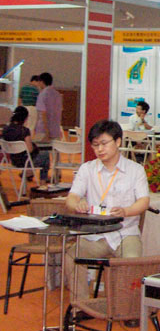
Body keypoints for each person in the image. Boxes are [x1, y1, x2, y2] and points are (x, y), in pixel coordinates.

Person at [62, 120, 149, 304]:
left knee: (132, 261)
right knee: (71, 255)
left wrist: (126, 211)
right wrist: (77, 204)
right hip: (96, 235)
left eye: (104, 143)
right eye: (95, 145)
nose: (99, 149)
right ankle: (81, 305)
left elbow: (144, 201)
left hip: (126, 233)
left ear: (118, 142)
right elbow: (71, 198)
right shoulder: (87, 169)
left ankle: (126, 309)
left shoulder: (135, 170)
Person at [1, 106, 50, 182]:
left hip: (13, 160)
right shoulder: (24, 130)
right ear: (25, 118)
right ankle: (42, 181)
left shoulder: (5, 129)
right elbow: (29, 149)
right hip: (25, 161)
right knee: (45, 155)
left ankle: (28, 173)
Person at [34, 72, 63, 141]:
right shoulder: (57, 94)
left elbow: (43, 113)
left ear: (42, 82)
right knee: (55, 147)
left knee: (41, 147)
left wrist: (47, 131)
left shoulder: (42, 94)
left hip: (43, 130)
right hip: (56, 130)